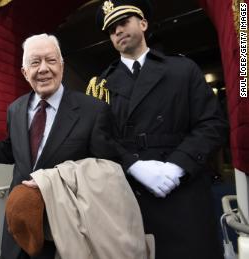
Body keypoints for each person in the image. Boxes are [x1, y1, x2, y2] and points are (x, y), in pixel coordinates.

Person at [0, 33, 118, 259]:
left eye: (51, 60)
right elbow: (8, 151)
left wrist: (54, 181)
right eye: (35, 62)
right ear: (25, 73)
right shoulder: (15, 109)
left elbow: (105, 171)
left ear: (62, 66)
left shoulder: (93, 110)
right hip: (19, 229)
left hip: (66, 231)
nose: (43, 69)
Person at [89, 1, 228, 258]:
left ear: (143, 24)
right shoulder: (101, 84)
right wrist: (134, 166)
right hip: (129, 192)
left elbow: (211, 123)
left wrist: (177, 167)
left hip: (183, 190)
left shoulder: (182, 69)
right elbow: (99, 137)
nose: (117, 31)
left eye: (123, 22)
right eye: (111, 30)